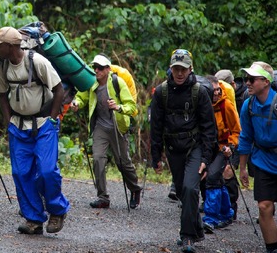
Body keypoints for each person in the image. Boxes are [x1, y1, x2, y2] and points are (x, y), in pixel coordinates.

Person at [0, 26, 70, 235]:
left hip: (44, 125)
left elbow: (59, 89)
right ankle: (33, 219)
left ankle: (57, 211)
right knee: (21, 173)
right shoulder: (1, 66)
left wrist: (52, 119)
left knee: (46, 170)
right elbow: (2, 95)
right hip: (18, 126)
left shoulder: (37, 62)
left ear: (10, 46)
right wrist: (9, 124)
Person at [150, 49, 217, 252]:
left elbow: (209, 128)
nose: (180, 73)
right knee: (182, 191)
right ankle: (196, 230)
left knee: (190, 188)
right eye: (176, 69)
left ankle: (187, 236)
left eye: (184, 69)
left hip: (194, 147)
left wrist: (206, 157)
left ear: (190, 69)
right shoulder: (161, 92)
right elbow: (156, 127)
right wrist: (156, 156)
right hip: (173, 148)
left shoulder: (200, 92)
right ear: (171, 69)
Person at [71, 54, 141, 209]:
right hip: (100, 127)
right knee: (98, 159)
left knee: (123, 163)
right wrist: (76, 103)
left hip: (117, 126)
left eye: (100, 68)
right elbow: (81, 97)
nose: (97, 70)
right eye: (95, 67)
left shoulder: (117, 82)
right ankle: (103, 197)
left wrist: (118, 107)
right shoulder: (91, 82)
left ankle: (135, 189)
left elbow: (132, 106)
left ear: (108, 69)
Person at [238, 61, 277, 253]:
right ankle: (272, 249)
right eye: (247, 79)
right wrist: (243, 167)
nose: (247, 83)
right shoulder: (248, 105)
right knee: (264, 207)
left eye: (252, 79)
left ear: (266, 81)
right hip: (262, 160)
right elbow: (245, 136)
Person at [200, 75, 240, 232]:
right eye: (213, 90)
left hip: (223, 148)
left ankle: (210, 219)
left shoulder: (226, 106)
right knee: (217, 181)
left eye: (218, 90)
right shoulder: (203, 104)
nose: (216, 93)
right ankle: (227, 213)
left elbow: (237, 130)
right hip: (206, 147)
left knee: (212, 178)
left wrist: (231, 145)